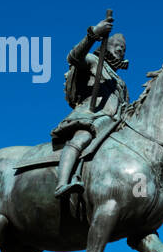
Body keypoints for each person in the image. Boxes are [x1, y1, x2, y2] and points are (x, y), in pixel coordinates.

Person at [51, 16, 130, 196]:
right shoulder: (94, 62)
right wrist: (93, 35)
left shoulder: (121, 84)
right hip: (91, 118)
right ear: (106, 45)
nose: (120, 49)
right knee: (82, 138)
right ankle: (62, 183)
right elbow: (73, 57)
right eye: (116, 45)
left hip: (114, 126)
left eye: (123, 48)